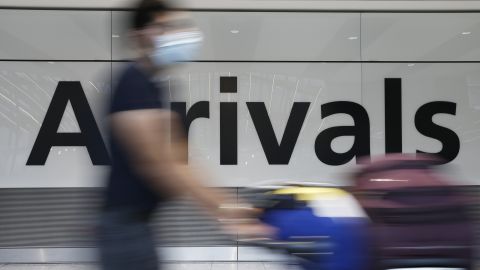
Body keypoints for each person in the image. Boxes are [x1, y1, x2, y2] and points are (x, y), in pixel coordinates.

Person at [97, 1, 271, 270]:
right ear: (140, 35)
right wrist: (224, 211)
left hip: (139, 225)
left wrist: (228, 207)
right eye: (168, 27)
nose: (181, 35)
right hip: (123, 229)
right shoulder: (132, 82)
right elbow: (159, 164)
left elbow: (180, 160)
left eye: (183, 27)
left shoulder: (155, 87)